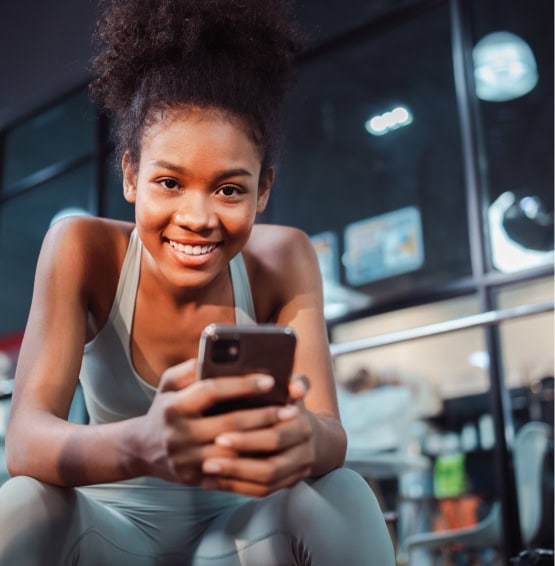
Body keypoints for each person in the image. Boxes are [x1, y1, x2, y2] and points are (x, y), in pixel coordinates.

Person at [0, 1, 395, 564]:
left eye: (230, 190)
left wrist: (302, 438)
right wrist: (143, 443)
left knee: (345, 490)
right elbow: (26, 442)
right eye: (169, 182)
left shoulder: (284, 257)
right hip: (112, 529)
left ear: (262, 191)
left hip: (237, 533)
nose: (198, 216)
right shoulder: (80, 247)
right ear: (131, 174)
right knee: (21, 501)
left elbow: (332, 433)